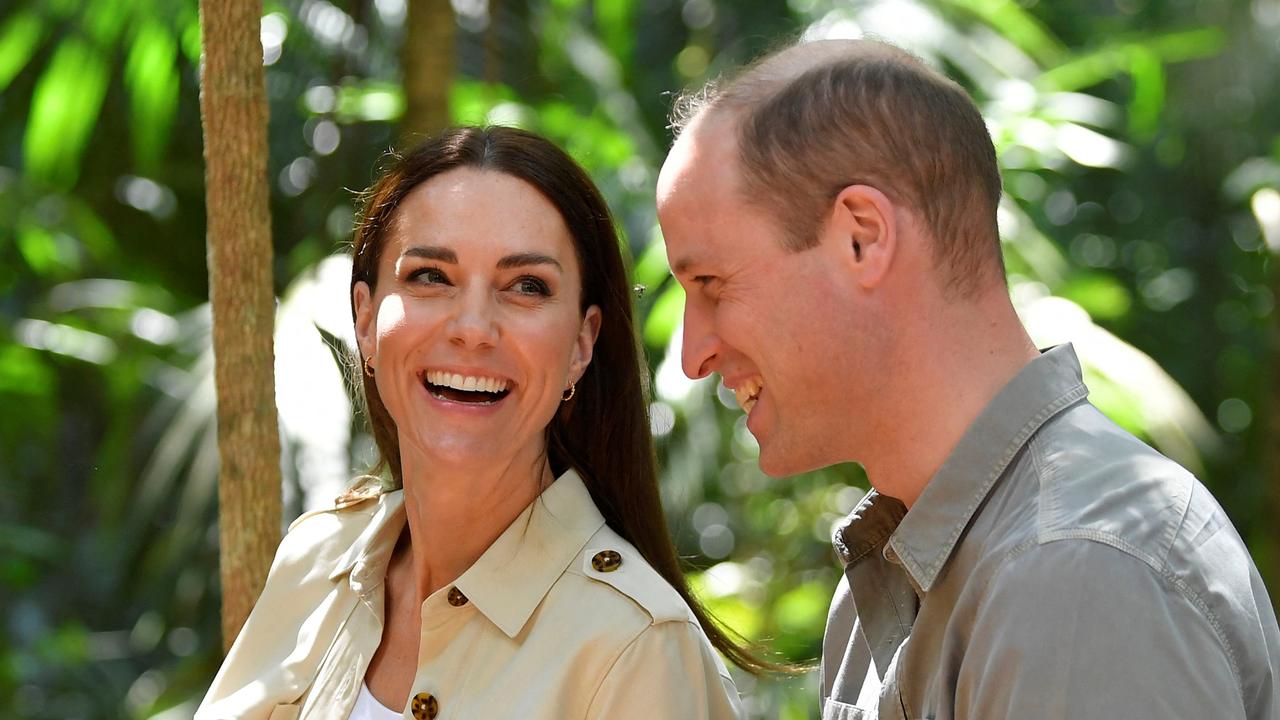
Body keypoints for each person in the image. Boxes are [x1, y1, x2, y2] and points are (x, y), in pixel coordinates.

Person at [656, 38, 1280, 719]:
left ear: (861, 236)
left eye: (711, 283)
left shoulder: (1075, 574)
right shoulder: (900, 578)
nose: (693, 356)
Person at [196, 126, 754, 720]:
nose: (472, 328)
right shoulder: (316, 559)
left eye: (526, 287)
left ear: (581, 345)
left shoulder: (636, 648)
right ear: (364, 320)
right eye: (431, 277)